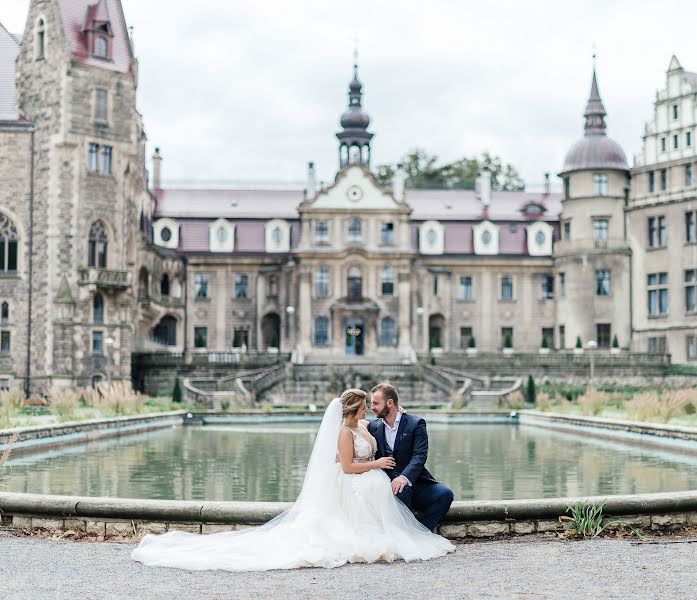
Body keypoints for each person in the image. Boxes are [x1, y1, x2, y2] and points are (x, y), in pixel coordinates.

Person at [131, 389, 454, 571]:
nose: (371, 409)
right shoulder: (346, 431)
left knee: (438, 495)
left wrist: (387, 468)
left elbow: (410, 452)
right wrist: (375, 464)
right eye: (366, 406)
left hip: (384, 481)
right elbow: (345, 466)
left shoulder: (370, 426)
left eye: (376, 404)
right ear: (355, 410)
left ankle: (408, 532)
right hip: (359, 481)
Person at [368, 382, 454, 532]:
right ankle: (404, 534)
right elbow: (351, 427)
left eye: (376, 403)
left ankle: (422, 532)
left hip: (415, 481)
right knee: (400, 490)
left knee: (445, 494)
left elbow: (419, 455)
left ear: (390, 403)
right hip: (387, 484)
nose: (372, 407)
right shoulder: (372, 427)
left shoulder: (415, 423)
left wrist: (405, 477)